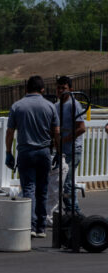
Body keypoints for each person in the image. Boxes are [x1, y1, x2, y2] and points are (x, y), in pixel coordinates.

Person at [5, 76, 60, 238]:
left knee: (28, 188)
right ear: (42, 89)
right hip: (44, 152)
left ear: (26, 89)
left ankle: (30, 225)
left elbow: (10, 132)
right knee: (42, 189)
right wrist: (58, 151)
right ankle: (41, 227)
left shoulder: (17, 106)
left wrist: (8, 152)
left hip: (26, 151)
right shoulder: (50, 106)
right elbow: (56, 131)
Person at [55, 76, 85, 215]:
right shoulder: (56, 106)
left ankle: (75, 212)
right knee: (61, 183)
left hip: (73, 150)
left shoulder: (74, 104)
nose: (61, 91)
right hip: (61, 150)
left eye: (64, 88)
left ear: (71, 90)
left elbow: (81, 128)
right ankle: (69, 212)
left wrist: (64, 139)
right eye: (59, 88)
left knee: (67, 183)